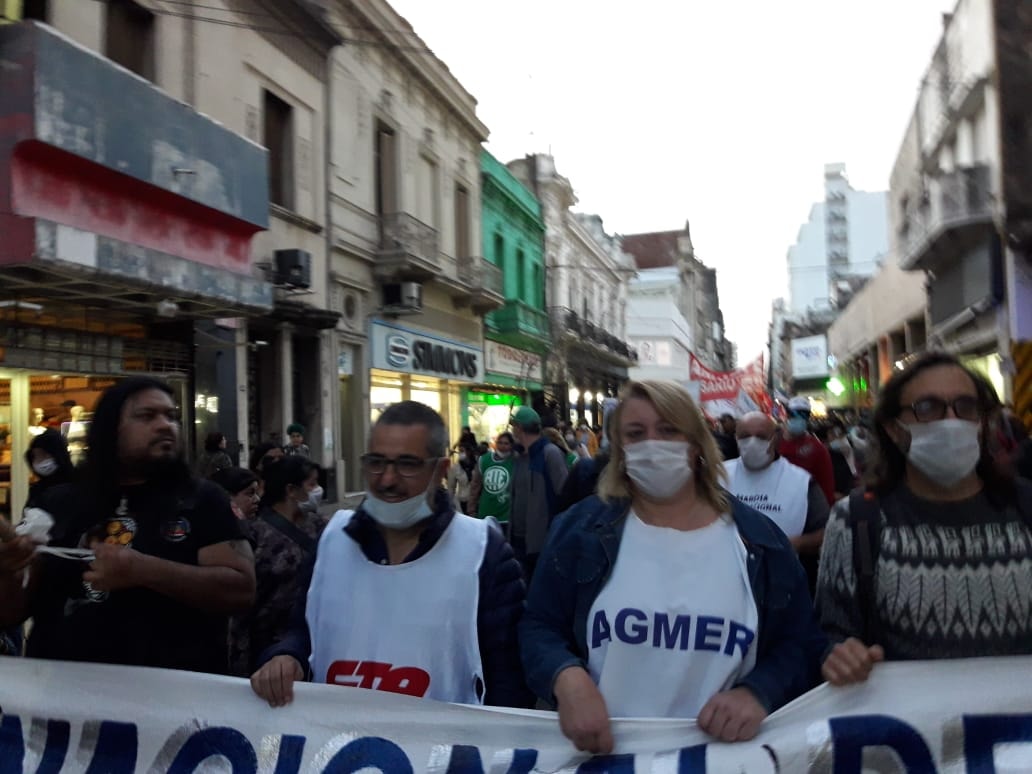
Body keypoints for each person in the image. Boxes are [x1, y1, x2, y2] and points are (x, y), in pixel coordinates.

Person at [520, 381, 824, 753]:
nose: (653, 444)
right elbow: (539, 625)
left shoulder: (760, 542)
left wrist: (759, 692)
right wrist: (566, 678)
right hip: (605, 756)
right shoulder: (578, 533)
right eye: (636, 434)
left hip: (724, 758)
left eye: (668, 430)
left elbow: (800, 643)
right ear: (619, 449)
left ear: (696, 444)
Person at [249, 400, 532, 708]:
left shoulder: (482, 551)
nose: (387, 479)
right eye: (376, 462)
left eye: (407, 464)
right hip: (336, 735)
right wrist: (287, 656)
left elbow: (509, 679)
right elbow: (304, 631)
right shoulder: (332, 541)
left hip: (445, 740)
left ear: (440, 469)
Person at [0, 376, 255, 674]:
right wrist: (8, 571)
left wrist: (142, 570)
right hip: (62, 692)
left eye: (171, 416)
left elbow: (241, 591)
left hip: (172, 692)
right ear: (109, 429)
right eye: (147, 416)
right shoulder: (57, 503)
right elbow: (9, 614)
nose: (165, 425)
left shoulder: (202, 500)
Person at [816, 353, 1032, 687]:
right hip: (907, 718)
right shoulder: (855, 521)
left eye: (966, 406)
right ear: (893, 429)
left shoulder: (1026, 506)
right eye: (928, 408)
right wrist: (840, 656)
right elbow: (828, 634)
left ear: (982, 421)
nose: (951, 421)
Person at [230, 456, 326, 677]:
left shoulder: (322, 528)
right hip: (264, 649)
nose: (317, 491)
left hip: (310, 644)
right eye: (311, 484)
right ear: (291, 490)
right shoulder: (254, 533)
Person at [726, 412, 829, 592]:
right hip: (729, 582)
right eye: (745, 436)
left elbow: (825, 531)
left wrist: (794, 544)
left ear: (775, 438)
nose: (752, 442)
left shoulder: (802, 482)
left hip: (783, 585)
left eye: (761, 436)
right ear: (735, 438)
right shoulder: (718, 476)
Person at [508, 406, 569, 580]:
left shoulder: (550, 453)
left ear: (519, 428)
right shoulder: (518, 456)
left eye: (513, 426)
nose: (512, 431)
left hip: (542, 543)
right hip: (517, 541)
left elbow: (564, 495)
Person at [778, 397, 835, 505]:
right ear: (787, 414)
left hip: (806, 505)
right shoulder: (774, 443)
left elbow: (826, 484)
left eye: (804, 414)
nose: (799, 418)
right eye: (794, 414)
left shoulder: (817, 448)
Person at [469, 432, 515, 528]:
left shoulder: (515, 461)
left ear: (511, 445)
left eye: (506, 443)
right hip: (486, 514)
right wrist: (471, 509)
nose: (502, 446)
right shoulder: (484, 460)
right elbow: (475, 487)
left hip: (506, 517)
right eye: (500, 443)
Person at [24, 429, 76, 508]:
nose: (39, 460)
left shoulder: (76, 489)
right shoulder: (36, 489)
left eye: (43, 455)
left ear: (58, 455)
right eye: (35, 456)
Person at [447, 443, 476, 513]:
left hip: (476, 501)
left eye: (462, 451)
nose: (459, 453)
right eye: (459, 451)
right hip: (463, 501)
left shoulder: (477, 465)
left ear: (469, 452)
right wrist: (451, 504)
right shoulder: (456, 467)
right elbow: (451, 488)